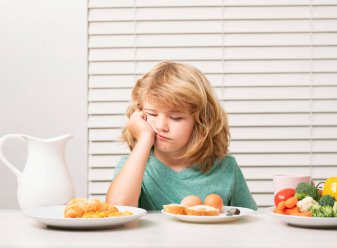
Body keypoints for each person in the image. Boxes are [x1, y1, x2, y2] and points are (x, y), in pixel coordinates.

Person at [106, 61, 257, 211]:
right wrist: (145, 138)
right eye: (152, 114)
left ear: (201, 122)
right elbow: (118, 211)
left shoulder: (226, 168)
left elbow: (251, 221)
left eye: (175, 117)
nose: (161, 126)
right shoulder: (132, 166)